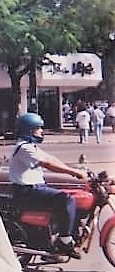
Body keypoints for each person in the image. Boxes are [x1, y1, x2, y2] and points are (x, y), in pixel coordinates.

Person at [9, 112, 87, 261]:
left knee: (72, 197)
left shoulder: (29, 146)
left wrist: (75, 169)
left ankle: (58, 242)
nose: (41, 131)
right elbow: (48, 164)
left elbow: (50, 158)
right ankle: (65, 241)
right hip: (28, 191)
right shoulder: (24, 148)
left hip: (34, 188)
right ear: (29, 130)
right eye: (38, 128)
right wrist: (74, 172)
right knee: (67, 200)